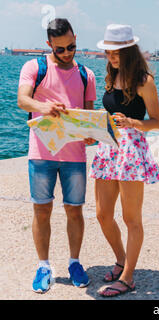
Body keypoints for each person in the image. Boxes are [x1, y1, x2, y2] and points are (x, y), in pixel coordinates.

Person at [17, 18, 97, 293]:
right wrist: (44, 106)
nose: (66, 53)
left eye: (71, 46)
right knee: (42, 210)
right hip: (41, 152)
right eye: (60, 49)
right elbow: (22, 100)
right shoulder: (34, 67)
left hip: (75, 155)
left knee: (75, 211)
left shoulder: (87, 74)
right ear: (49, 44)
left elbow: (88, 116)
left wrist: (91, 134)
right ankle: (44, 266)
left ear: (76, 37)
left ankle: (75, 262)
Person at [90, 24, 159, 297]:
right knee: (102, 214)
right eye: (108, 53)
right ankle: (122, 260)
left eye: (116, 53)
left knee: (131, 218)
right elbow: (111, 109)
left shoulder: (144, 81)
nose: (111, 57)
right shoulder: (111, 76)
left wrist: (132, 121)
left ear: (129, 50)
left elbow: (156, 122)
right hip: (107, 148)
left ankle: (128, 277)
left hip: (131, 151)